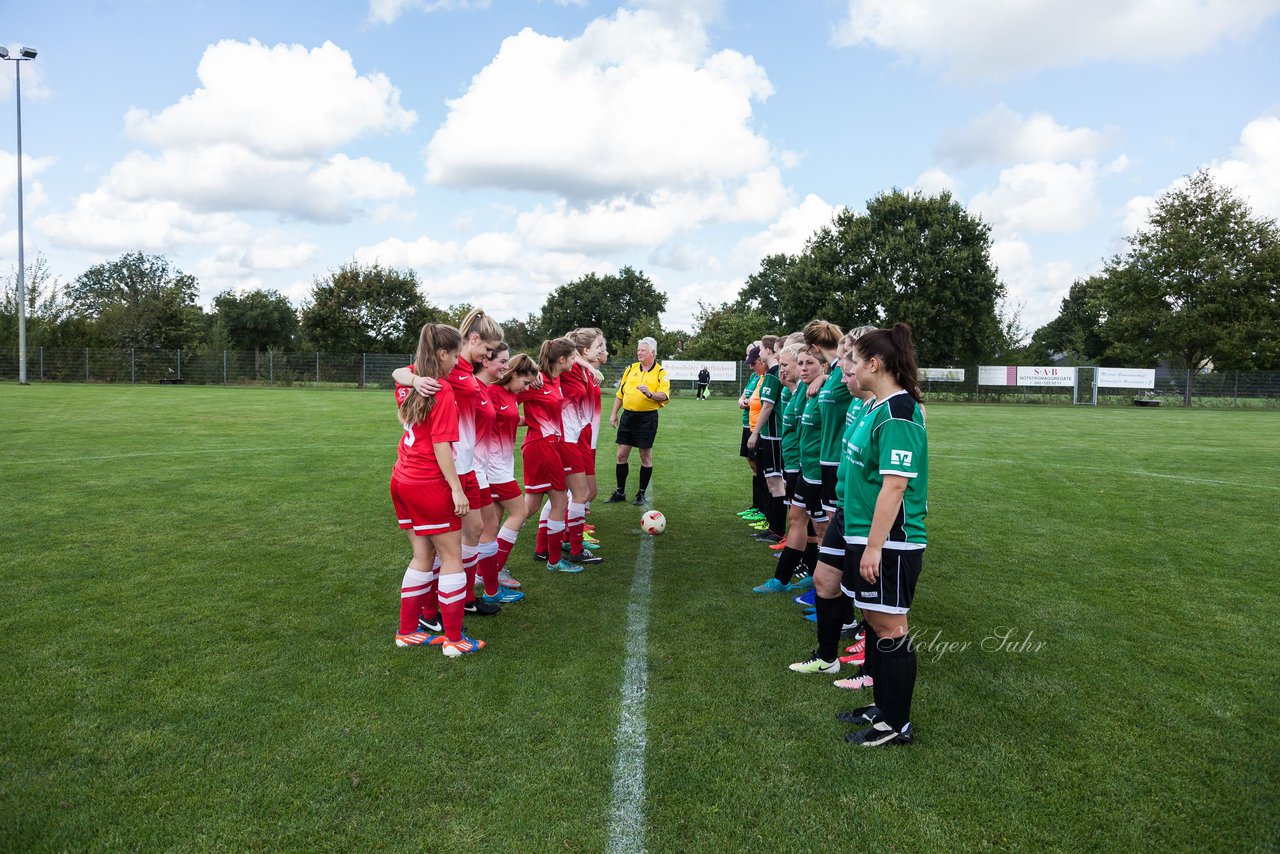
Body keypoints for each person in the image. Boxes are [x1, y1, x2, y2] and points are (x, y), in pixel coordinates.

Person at [804, 324, 928, 748]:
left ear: (874, 364)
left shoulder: (900, 413)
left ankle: (897, 724)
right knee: (875, 625)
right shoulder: (878, 406)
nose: (847, 368)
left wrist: (874, 546)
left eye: (853, 361)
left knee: (890, 628)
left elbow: (894, 486)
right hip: (863, 534)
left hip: (890, 542)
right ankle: (882, 708)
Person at [394, 308, 506, 620]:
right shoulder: (449, 371)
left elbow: (405, 374)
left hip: (467, 465)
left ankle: (464, 598)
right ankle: (433, 611)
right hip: (446, 469)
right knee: (445, 547)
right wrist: (412, 377)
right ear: (472, 339)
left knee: (474, 530)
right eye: (488, 348)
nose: (489, 355)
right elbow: (404, 372)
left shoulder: (465, 370)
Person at [389, 323, 483, 658]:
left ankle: (407, 632)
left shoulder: (412, 380)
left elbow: (399, 373)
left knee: (422, 555)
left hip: (401, 479)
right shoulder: (441, 391)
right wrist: (457, 490)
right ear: (442, 354)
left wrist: (412, 378)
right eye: (455, 354)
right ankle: (455, 640)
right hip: (428, 482)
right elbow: (443, 446)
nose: (458, 360)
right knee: (452, 557)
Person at [475, 344, 538, 597]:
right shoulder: (490, 391)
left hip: (502, 464)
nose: (526, 388)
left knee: (494, 523)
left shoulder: (512, 394)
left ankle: (484, 573)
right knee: (520, 511)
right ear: (512, 374)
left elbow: (509, 417)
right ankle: (494, 570)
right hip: (491, 467)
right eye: (524, 382)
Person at [520, 338, 585, 573]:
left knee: (530, 507)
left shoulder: (555, 378)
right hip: (541, 447)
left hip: (546, 445)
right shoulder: (537, 381)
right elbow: (504, 392)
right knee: (559, 501)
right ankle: (555, 560)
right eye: (573, 357)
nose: (576, 361)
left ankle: (489, 547)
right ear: (561, 359)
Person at [606, 336, 669, 506]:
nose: (639, 352)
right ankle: (620, 492)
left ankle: (641, 494)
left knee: (644, 456)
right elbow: (620, 393)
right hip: (628, 417)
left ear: (652, 353)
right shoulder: (631, 369)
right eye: (638, 349)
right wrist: (614, 414)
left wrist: (650, 393)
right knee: (621, 455)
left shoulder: (660, 373)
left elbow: (664, 395)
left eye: (643, 350)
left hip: (647, 419)